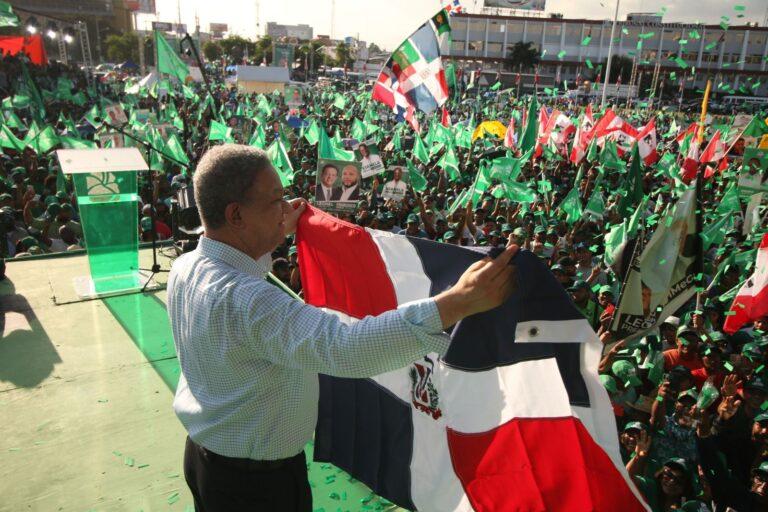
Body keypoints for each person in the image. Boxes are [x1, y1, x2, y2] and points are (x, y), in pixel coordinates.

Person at [168, 145, 519, 511]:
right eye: (275, 200)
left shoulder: (187, 267)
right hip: (255, 487)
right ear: (236, 215)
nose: (286, 208)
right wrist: (456, 302)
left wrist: (275, 230)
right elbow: (346, 346)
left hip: (207, 460)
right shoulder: (249, 300)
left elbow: (239, 257)